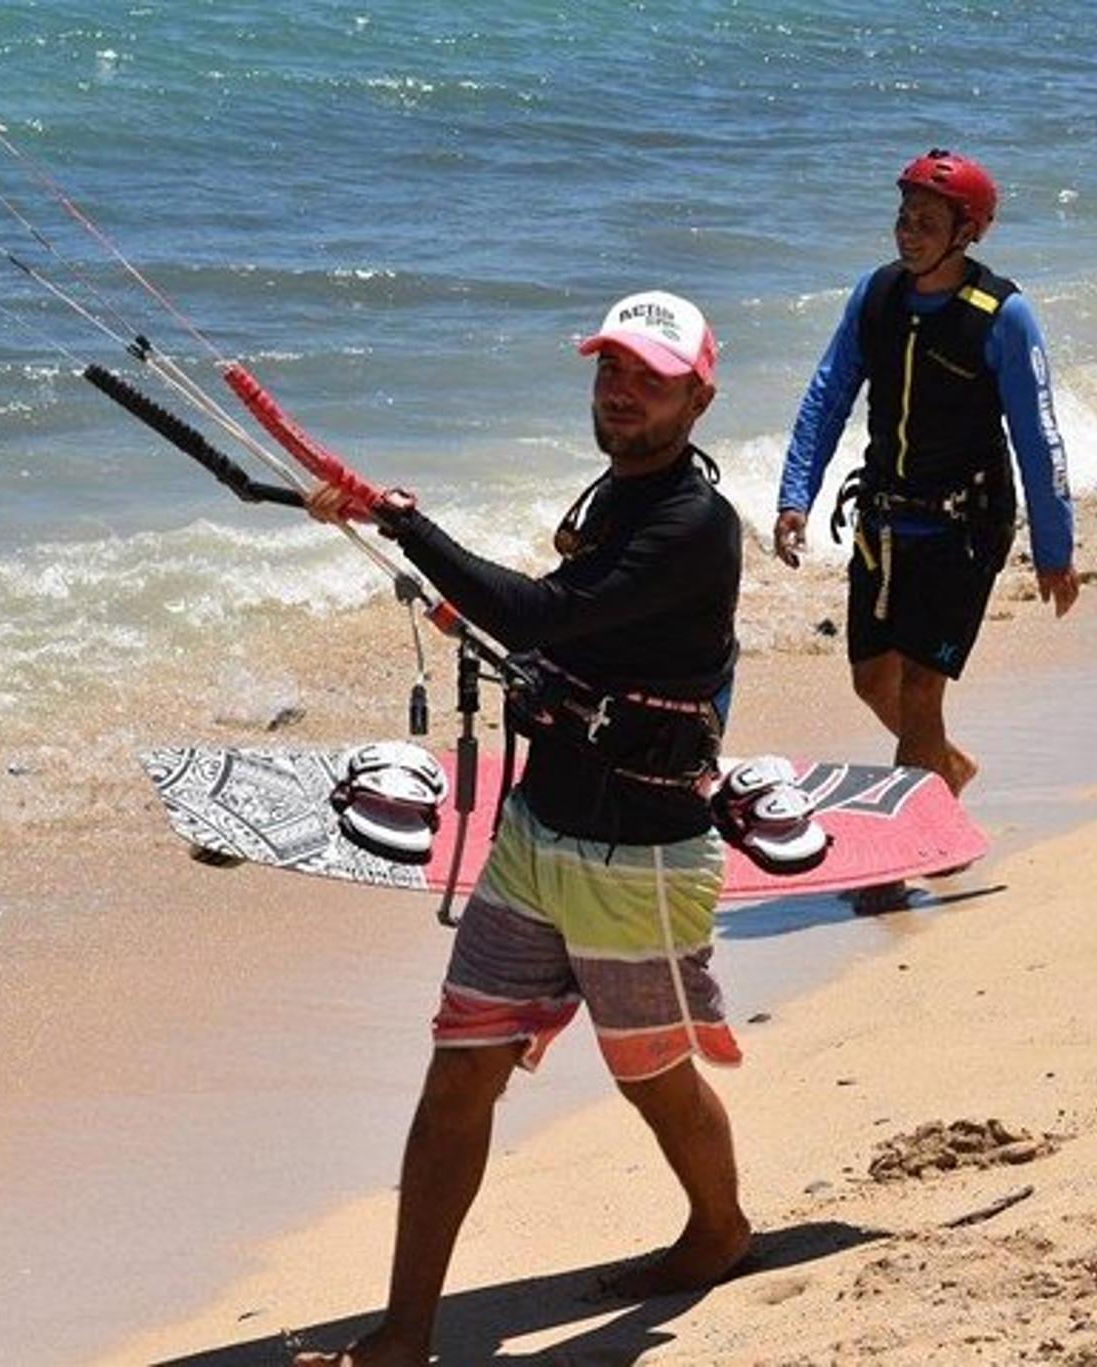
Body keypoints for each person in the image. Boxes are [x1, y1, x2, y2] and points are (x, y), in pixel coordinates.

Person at [298, 290, 748, 1366]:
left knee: (648, 1073)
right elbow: (556, 621)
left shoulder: (692, 522)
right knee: (459, 1068)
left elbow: (541, 616)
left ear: (698, 392)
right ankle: (405, 1334)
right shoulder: (612, 495)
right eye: (608, 368)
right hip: (537, 834)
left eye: (647, 374)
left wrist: (405, 523)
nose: (619, 388)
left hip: (639, 857)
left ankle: (720, 1227)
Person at [773, 148, 1078, 906]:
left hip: (964, 526)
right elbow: (826, 395)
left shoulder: (1001, 316)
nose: (908, 234)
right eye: (903, 218)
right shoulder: (876, 297)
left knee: (918, 691)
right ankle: (944, 773)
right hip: (884, 520)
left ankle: (892, 861)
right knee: (872, 678)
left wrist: (1055, 547)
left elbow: (1038, 436)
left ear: (966, 232)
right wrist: (792, 498)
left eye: (927, 222)